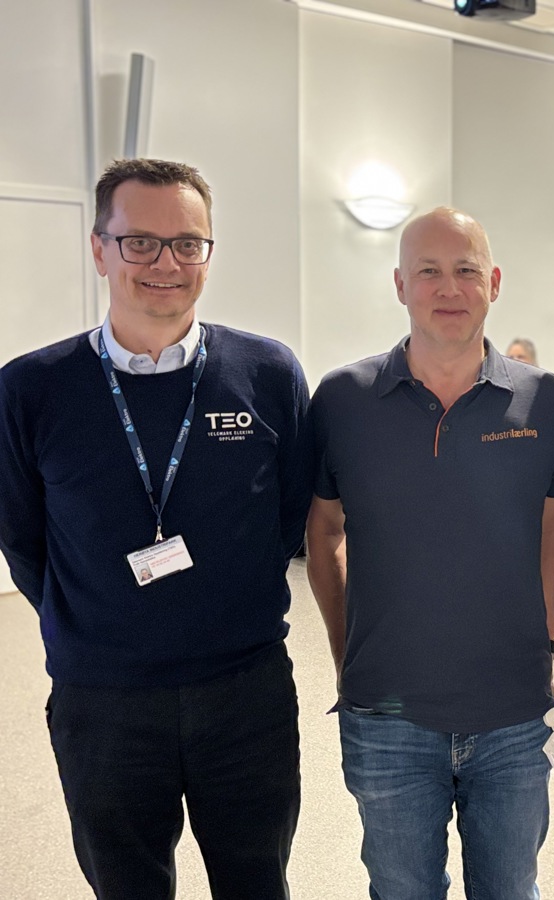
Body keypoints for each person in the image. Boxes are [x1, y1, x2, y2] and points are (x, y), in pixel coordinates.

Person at [0, 158, 310, 899]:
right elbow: (23, 539)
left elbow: (289, 517)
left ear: (208, 252)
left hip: (245, 692)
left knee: (257, 883)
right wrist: (100, 621)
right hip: (102, 700)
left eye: (187, 243)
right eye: (139, 242)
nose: (166, 264)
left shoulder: (267, 372)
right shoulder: (31, 388)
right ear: (99, 248)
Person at [306, 208, 554, 899]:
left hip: (514, 714)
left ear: (495, 283)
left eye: (466, 270)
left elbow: (553, 528)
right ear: (400, 284)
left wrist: (543, 642)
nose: (448, 288)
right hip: (387, 715)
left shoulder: (544, 400)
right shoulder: (343, 399)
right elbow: (324, 530)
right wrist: (346, 652)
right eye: (428, 271)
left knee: (511, 890)